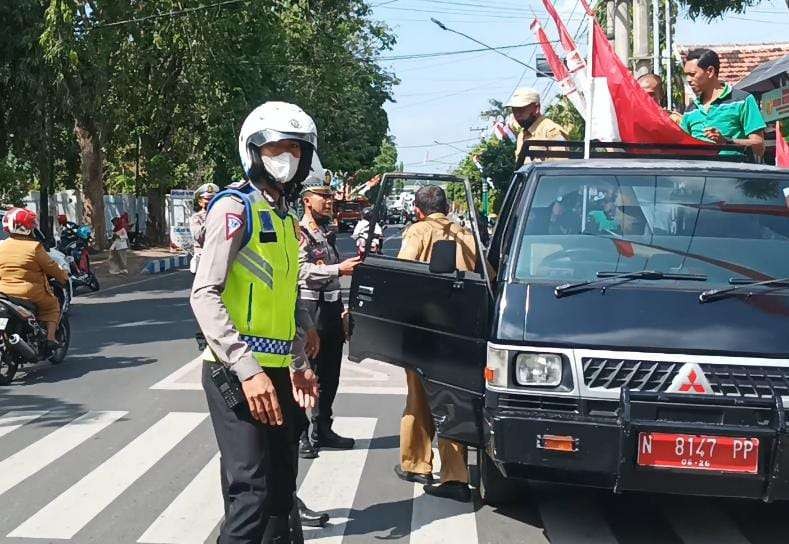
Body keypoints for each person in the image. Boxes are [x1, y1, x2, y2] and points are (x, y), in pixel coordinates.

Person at [190, 101, 321, 544]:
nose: (286, 158)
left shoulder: (284, 217)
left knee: (283, 485)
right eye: (276, 147)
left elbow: (283, 297)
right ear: (253, 151)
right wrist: (247, 371)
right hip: (234, 372)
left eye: (295, 150)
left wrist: (300, 357)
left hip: (277, 372)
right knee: (250, 490)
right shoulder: (234, 208)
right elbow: (204, 294)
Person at [395, 185, 476, 503]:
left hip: (424, 331)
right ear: (447, 207)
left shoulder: (417, 232)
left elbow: (403, 274)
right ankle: (453, 472)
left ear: (417, 209)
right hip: (460, 331)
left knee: (417, 397)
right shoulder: (466, 235)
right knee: (453, 401)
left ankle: (419, 465)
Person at [297, 176, 361, 459]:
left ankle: (323, 428)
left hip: (332, 311)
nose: (329, 200)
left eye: (330, 195)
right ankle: (301, 434)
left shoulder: (327, 232)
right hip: (311, 311)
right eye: (323, 196)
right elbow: (300, 272)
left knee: (330, 375)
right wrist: (337, 271)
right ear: (306, 200)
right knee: (307, 371)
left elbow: (336, 276)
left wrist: (344, 309)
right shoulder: (299, 232)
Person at [0, 208, 68, 347]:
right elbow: (52, 267)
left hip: (3, 293)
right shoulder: (34, 247)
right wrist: (64, 277)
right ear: (28, 227)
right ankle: (50, 338)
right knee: (52, 306)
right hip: (29, 293)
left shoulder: (2, 246)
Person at [681, 48, 766, 159]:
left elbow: (759, 146)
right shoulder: (690, 110)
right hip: (698, 175)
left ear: (710, 71)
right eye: (686, 75)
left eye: (692, 74)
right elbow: (682, 147)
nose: (688, 79)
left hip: (734, 174)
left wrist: (727, 142)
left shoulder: (743, 100)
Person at [505, 87, 569, 167]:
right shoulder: (522, 135)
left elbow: (561, 168)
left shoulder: (551, 131)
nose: (517, 115)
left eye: (521, 110)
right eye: (514, 110)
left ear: (536, 108)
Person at [188, 183, 219, 274]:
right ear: (200, 202)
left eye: (212, 199)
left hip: (217, 258)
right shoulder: (196, 218)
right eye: (207, 199)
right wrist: (210, 218)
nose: (210, 202)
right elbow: (199, 236)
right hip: (203, 259)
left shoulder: (220, 216)